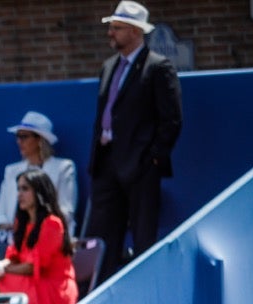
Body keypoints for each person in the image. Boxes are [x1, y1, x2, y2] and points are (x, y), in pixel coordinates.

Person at [88, 1, 183, 279]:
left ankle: (145, 289)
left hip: (139, 166)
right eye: (111, 28)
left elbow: (172, 119)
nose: (110, 33)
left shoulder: (157, 67)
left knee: (143, 237)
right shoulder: (108, 67)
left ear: (134, 31)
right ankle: (100, 293)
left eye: (116, 28)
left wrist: (152, 157)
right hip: (106, 163)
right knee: (102, 237)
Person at [0, 169, 78, 304]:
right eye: (18, 189)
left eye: (25, 189)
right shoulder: (22, 222)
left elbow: (34, 267)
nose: (19, 194)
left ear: (39, 192)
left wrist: (4, 269)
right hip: (33, 281)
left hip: (54, 286)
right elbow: (14, 256)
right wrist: (0, 265)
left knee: (4, 279)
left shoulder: (53, 223)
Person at [0, 111, 79, 252]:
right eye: (17, 137)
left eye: (24, 137)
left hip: (50, 240)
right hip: (12, 242)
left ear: (40, 140)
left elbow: (66, 211)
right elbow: (0, 213)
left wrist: (35, 226)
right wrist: (7, 226)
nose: (19, 141)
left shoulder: (64, 167)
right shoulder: (11, 170)